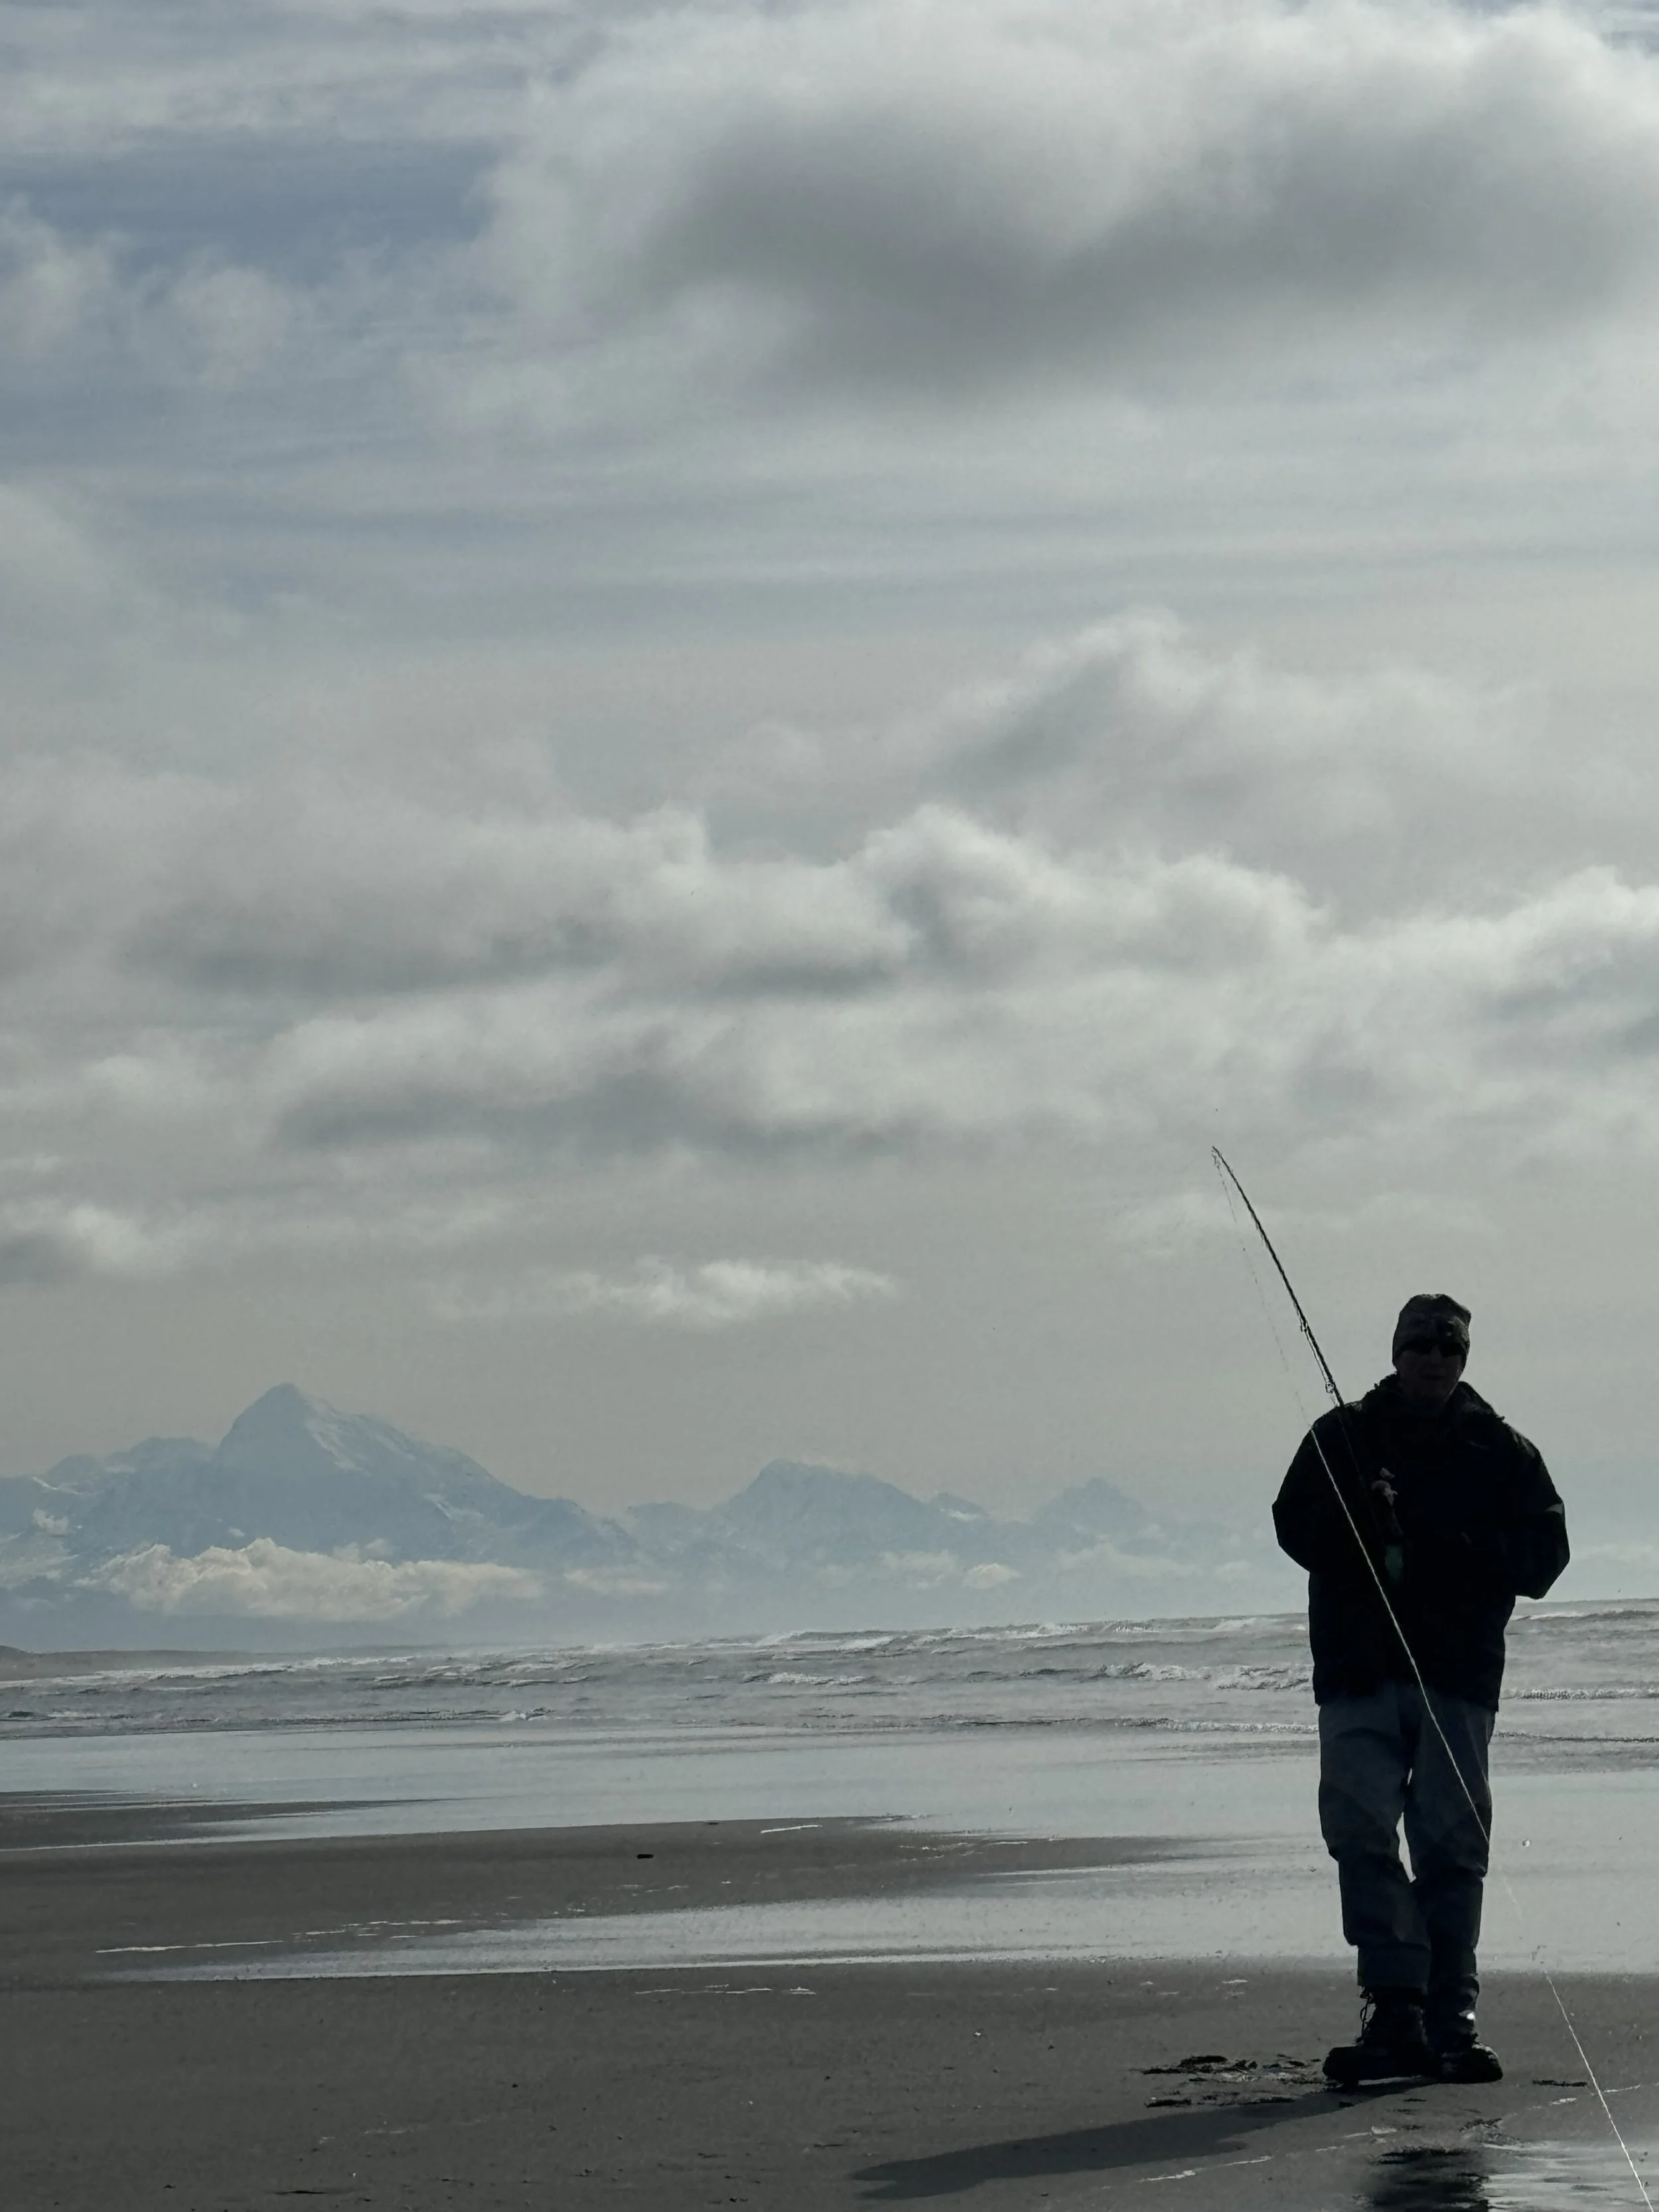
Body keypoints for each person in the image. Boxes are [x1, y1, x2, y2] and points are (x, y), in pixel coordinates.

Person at [1273, 1293, 1569, 2087]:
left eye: (1448, 1347)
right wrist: (1363, 1529)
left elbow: (1545, 1555)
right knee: (1359, 1830)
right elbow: (1292, 1525)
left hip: (1457, 1677)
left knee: (1450, 1843)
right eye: (1420, 1346)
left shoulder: (1501, 1450)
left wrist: (1455, 1546)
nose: (1434, 1359)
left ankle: (1450, 2014)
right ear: (1396, 1353)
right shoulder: (1342, 1438)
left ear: (1463, 1358)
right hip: (1356, 1672)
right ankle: (1394, 2004)